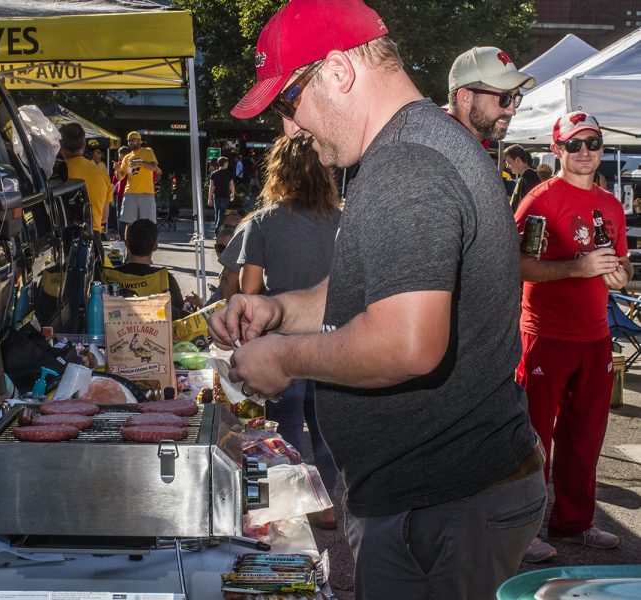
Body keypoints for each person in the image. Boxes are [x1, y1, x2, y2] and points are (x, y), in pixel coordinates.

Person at [215, 0, 544, 597]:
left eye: (289, 103)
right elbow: (367, 292)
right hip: (437, 496)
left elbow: (405, 344)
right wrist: (281, 310)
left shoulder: (407, 163)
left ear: (338, 71)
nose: (289, 128)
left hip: (443, 502)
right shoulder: (405, 148)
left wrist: (284, 359)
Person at [514, 112, 631, 563]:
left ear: (602, 147)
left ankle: (575, 522)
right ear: (557, 149)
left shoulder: (611, 204)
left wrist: (621, 275)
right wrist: (575, 268)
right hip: (544, 335)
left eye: (593, 143)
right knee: (533, 440)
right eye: (575, 144)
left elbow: (621, 265)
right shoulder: (540, 200)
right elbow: (516, 265)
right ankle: (521, 532)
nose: (585, 152)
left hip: (596, 336)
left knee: (585, 437)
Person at [236, 134, 343, 525]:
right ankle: (327, 503)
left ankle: (297, 505)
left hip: (281, 340)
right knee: (326, 429)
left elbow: (249, 291)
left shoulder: (264, 222)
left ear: (278, 173)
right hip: (332, 338)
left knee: (285, 429)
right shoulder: (341, 221)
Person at [448, 46, 535, 146]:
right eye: (504, 98)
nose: (512, 111)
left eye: (516, 98)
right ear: (465, 98)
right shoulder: (436, 154)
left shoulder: (469, 148)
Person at [112, 218, 185, 316]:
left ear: (126, 244)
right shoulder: (166, 279)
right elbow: (177, 309)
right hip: (157, 329)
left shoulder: (110, 277)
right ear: (155, 246)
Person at [59, 123, 112, 236]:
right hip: (92, 236)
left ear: (60, 146)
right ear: (84, 145)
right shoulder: (101, 172)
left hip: (61, 237)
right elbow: (104, 218)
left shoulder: (52, 173)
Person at [116, 131, 159, 239]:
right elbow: (120, 176)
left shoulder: (148, 151)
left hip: (146, 192)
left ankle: (149, 246)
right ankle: (129, 248)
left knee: (148, 223)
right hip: (130, 193)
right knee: (126, 223)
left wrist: (139, 163)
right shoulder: (127, 157)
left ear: (139, 140)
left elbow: (154, 167)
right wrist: (117, 170)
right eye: (129, 140)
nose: (131, 142)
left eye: (133, 140)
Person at [504, 144, 542, 212]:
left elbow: (532, 205)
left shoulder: (530, 177)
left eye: (509, 163)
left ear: (518, 160)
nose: (507, 166)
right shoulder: (525, 176)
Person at [208, 156, 235, 233]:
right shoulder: (228, 173)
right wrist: (232, 194)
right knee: (222, 213)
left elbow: (211, 187)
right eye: (227, 162)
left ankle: (217, 230)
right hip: (225, 196)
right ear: (224, 163)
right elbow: (232, 185)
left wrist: (209, 198)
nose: (228, 164)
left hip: (216, 196)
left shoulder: (213, 174)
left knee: (217, 213)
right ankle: (218, 229)